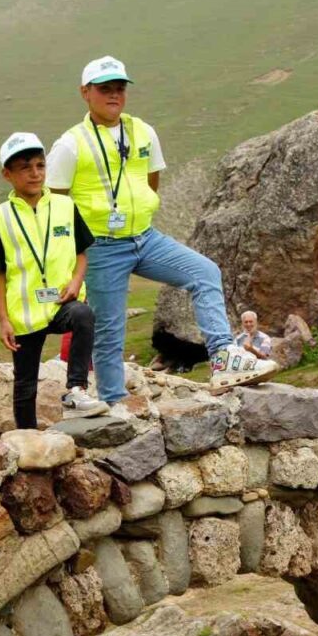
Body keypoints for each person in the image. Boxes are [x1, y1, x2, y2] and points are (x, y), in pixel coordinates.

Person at [46, 56, 278, 404]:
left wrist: (136, 212)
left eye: (120, 88)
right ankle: (114, 402)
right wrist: (75, 255)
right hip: (101, 247)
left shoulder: (142, 131)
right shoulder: (70, 144)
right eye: (105, 88)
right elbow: (54, 203)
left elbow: (151, 182)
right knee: (109, 329)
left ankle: (222, 358)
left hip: (145, 237)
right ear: (85, 92)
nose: (114, 95)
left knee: (205, 272)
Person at [0, 132, 108, 428]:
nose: (35, 173)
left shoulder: (65, 207)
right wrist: (3, 319)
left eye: (40, 165)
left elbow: (81, 253)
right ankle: (27, 440)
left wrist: (77, 282)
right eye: (25, 167)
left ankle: (76, 390)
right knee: (25, 385)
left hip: (61, 303)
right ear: (7, 174)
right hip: (24, 313)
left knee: (84, 314)